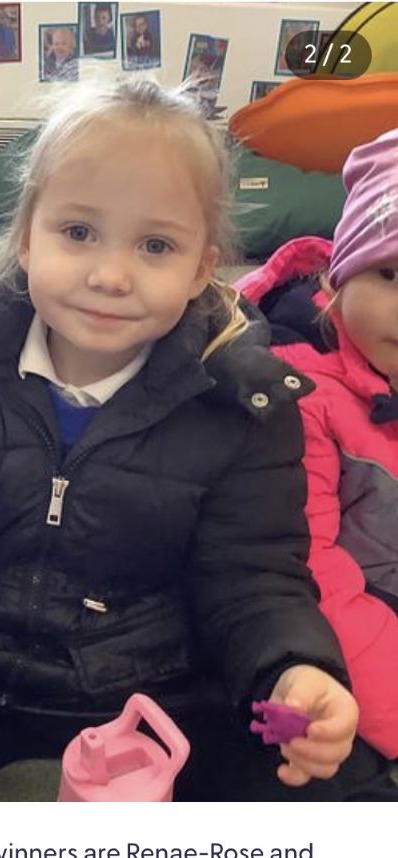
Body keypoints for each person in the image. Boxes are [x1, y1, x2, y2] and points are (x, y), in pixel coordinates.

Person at [0, 78, 398, 802]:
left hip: (159, 685)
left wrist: (293, 669)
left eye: (155, 245)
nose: (110, 276)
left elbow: (253, 576)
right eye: (78, 233)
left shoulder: (244, 402)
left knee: (331, 783)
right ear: (26, 238)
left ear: (202, 268)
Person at [236, 128, 398, 760]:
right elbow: (307, 571)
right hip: (349, 624)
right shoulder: (299, 395)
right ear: (336, 281)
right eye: (390, 273)